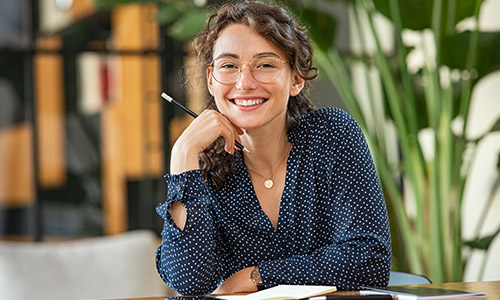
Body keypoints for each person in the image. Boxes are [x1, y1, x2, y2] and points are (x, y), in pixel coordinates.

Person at [155, 0, 391, 295]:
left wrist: (258, 275)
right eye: (229, 66)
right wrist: (182, 154)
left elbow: (370, 261)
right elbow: (188, 283)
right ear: (211, 80)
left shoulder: (331, 135)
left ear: (295, 79)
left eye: (265, 64)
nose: (244, 82)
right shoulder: (198, 171)